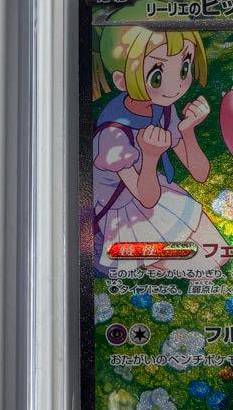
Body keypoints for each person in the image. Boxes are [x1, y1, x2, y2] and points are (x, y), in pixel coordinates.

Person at [91, 25, 225, 275]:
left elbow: (200, 174)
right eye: (157, 76)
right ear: (121, 81)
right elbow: (146, 198)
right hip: (124, 213)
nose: (175, 87)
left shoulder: (162, 107)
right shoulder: (113, 135)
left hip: (155, 191)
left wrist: (188, 131)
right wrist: (151, 157)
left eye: (184, 68)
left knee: (220, 254)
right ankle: (125, 259)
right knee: (205, 268)